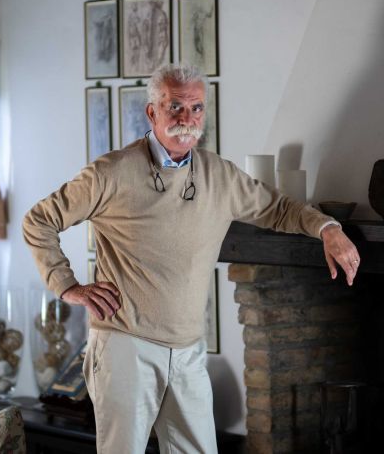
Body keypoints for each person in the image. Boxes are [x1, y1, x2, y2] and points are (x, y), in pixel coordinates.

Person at [23, 64, 360, 454]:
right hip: (125, 345)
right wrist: (67, 286)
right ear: (152, 112)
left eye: (196, 108)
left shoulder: (219, 175)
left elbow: (279, 208)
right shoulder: (111, 172)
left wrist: (327, 228)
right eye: (175, 107)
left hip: (188, 350)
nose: (187, 117)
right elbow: (39, 220)